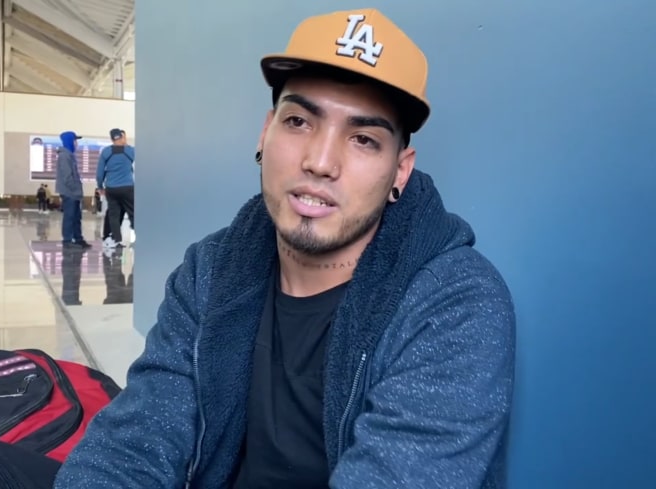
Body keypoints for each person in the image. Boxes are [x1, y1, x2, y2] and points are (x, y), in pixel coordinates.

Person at [55, 8, 516, 489]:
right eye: (298, 121)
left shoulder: (456, 303)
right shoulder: (209, 270)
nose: (319, 162)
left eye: (363, 138)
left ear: (400, 171)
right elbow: (135, 443)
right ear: (265, 133)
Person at [96, 128, 135, 248]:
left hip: (111, 188)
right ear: (122, 137)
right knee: (134, 213)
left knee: (114, 214)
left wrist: (100, 186)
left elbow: (99, 173)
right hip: (127, 187)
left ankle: (116, 241)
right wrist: (125, 144)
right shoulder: (130, 151)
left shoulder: (106, 152)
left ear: (112, 139)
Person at [55, 131, 90, 249]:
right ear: (70, 141)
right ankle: (67, 240)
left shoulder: (69, 155)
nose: (76, 143)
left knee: (76, 217)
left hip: (74, 193)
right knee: (69, 217)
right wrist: (76, 190)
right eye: (75, 141)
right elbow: (67, 177)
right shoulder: (64, 156)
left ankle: (78, 238)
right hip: (69, 193)